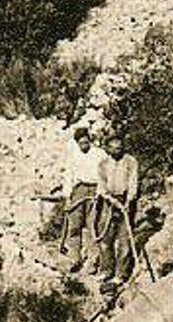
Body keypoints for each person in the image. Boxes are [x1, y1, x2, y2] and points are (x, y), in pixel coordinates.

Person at [93, 134, 141, 293]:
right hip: (108, 202)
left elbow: (133, 183)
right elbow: (101, 186)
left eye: (119, 148)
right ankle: (106, 270)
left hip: (126, 201)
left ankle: (121, 274)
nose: (116, 151)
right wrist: (111, 200)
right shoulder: (103, 164)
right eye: (113, 148)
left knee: (124, 241)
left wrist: (128, 201)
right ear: (108, 149)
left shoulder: (130, 162)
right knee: (105, 239)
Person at [60, 123, 101, 272]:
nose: (84, 145)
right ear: (76, 143)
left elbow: (104, 174)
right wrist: (67, 197)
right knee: (74, 226)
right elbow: (68, 176)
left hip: (95, 190)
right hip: (78, 190)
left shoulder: (99, 154)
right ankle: (75, 258)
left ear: (90, 140)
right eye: (81, 143)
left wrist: (100, 192)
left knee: (93, 226)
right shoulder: (73, 156)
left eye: (86, 142)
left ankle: (93, 260)